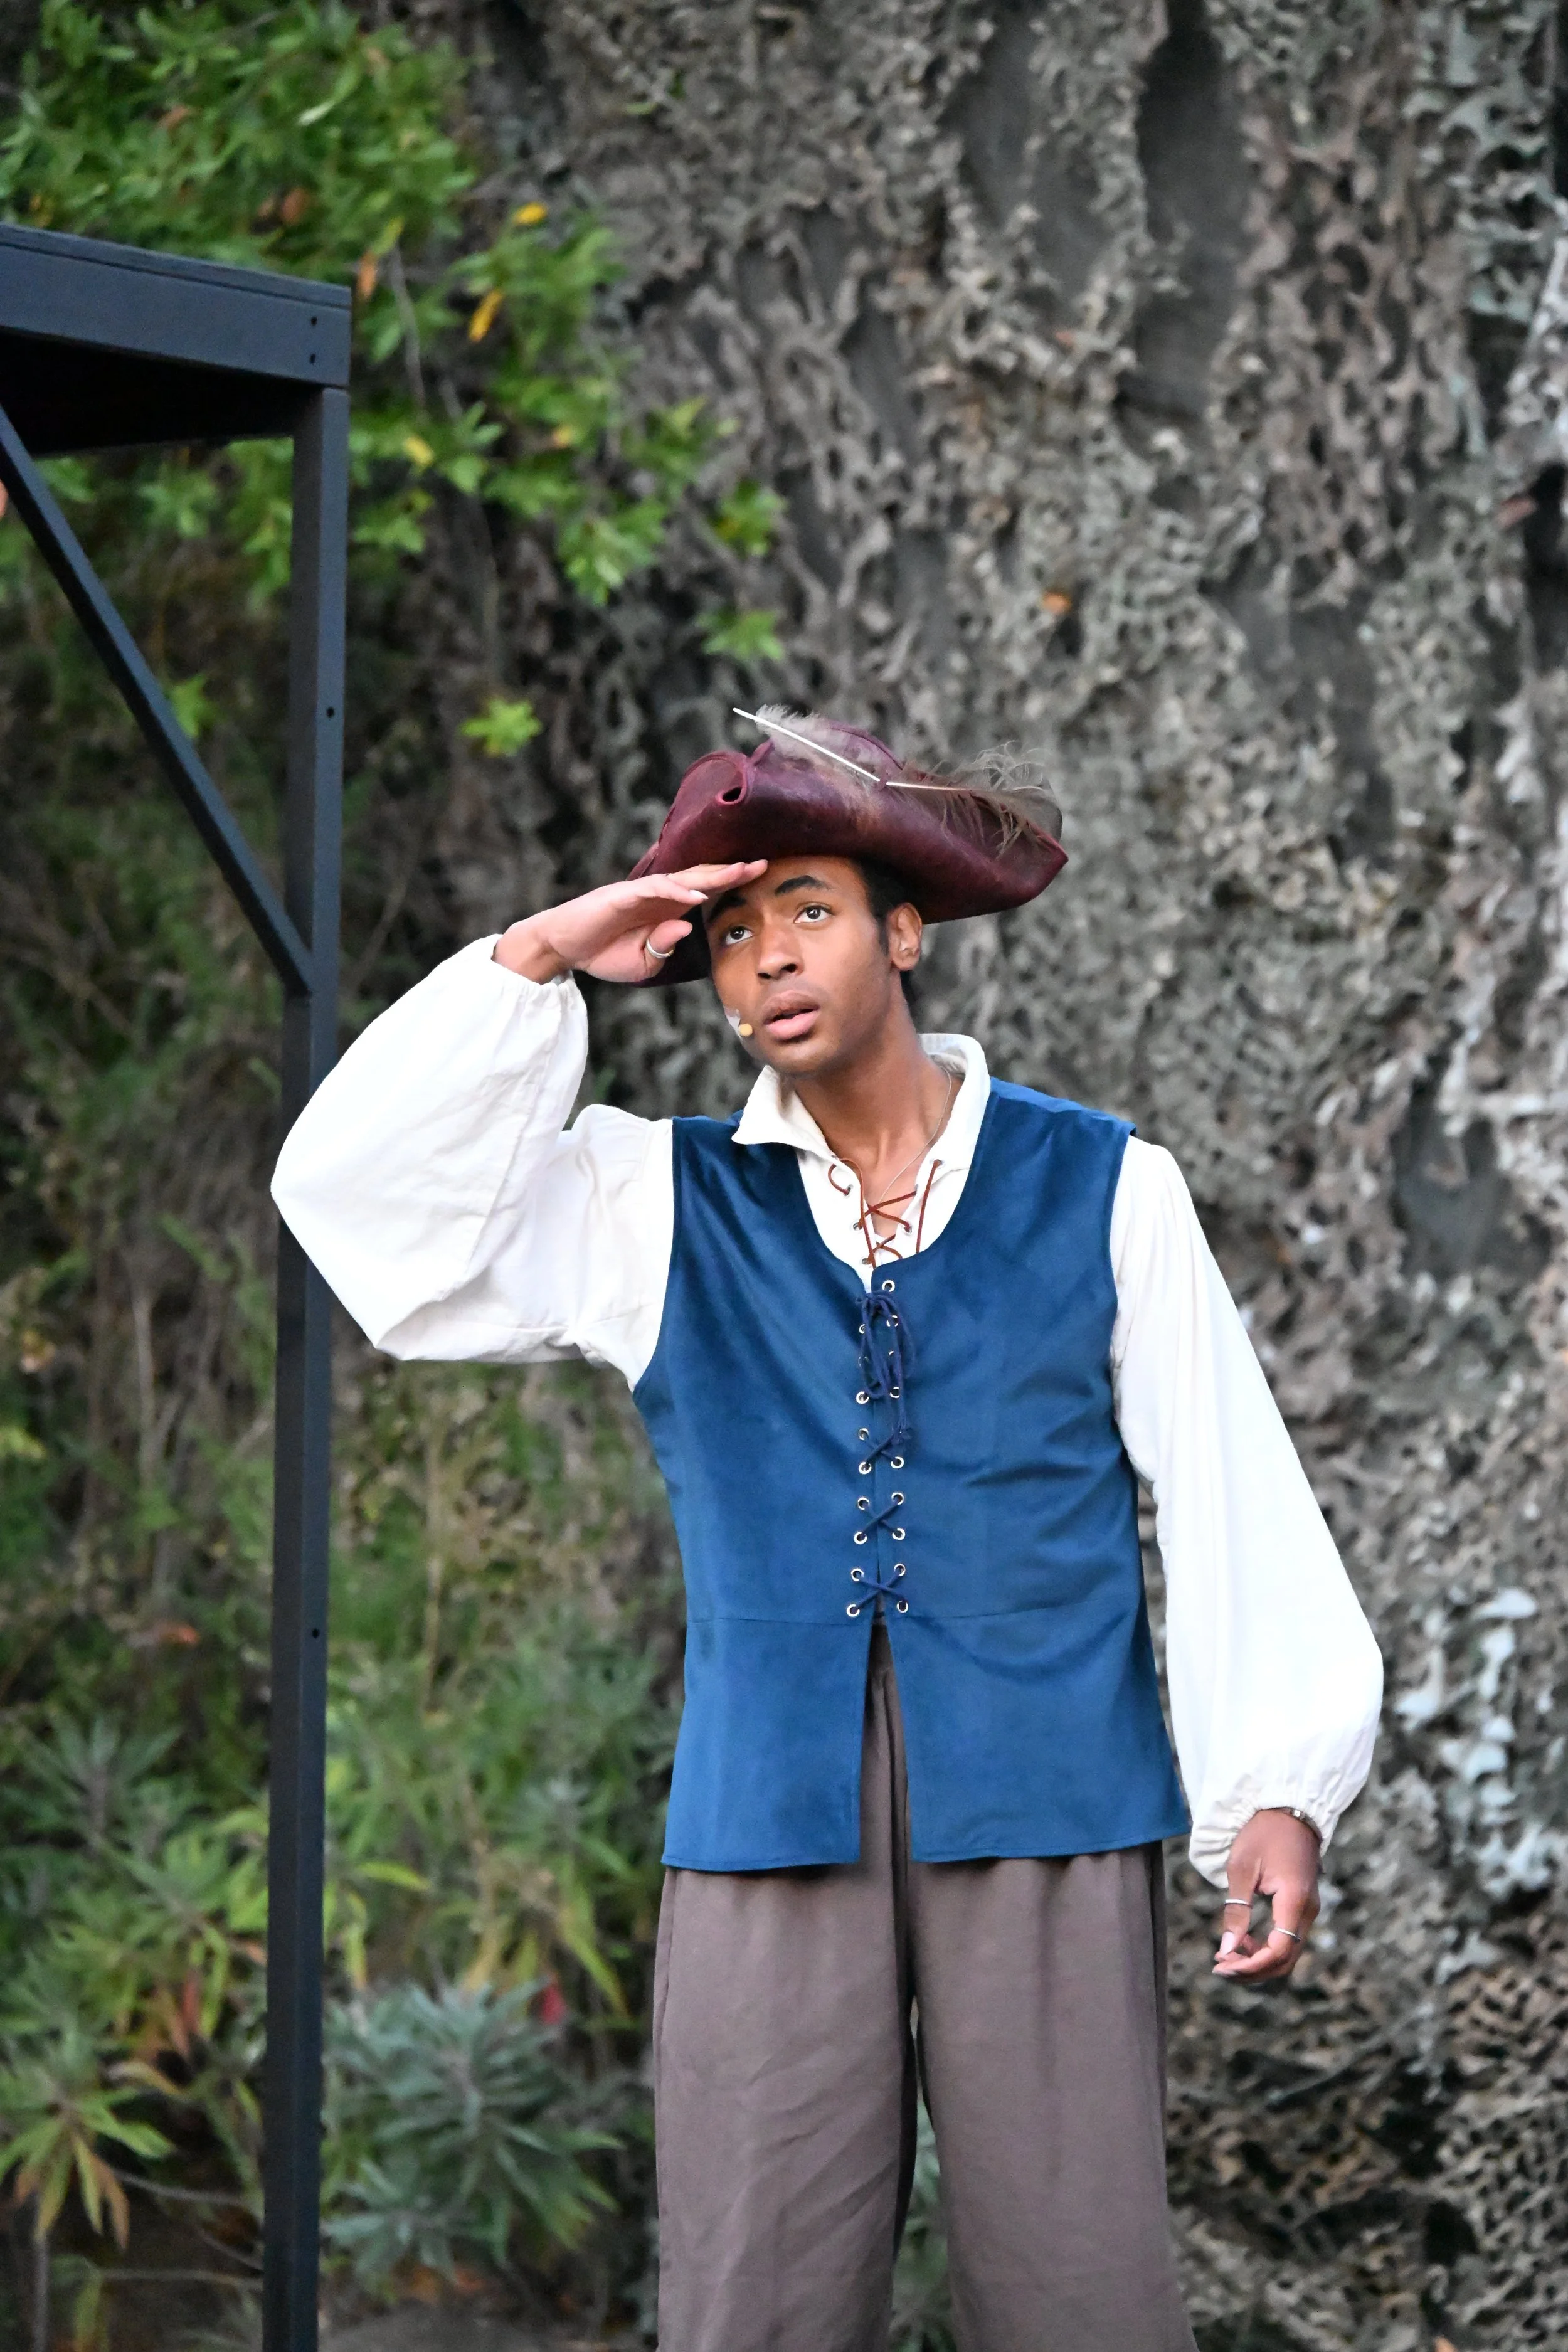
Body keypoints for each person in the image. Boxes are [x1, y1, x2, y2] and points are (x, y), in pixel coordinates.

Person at [272, 709, 1382, 2352]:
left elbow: (1223, 1481)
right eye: (729, 930)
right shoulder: (651, 1201)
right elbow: (362, 1203)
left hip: (1048, 1787)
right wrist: (543, 956)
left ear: (902, 929)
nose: (766, 958)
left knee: (1081, 2289)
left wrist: (1273, 1786)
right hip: (762, 1810)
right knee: (753, 2297)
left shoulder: (1102, 1183)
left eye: (804, 905)